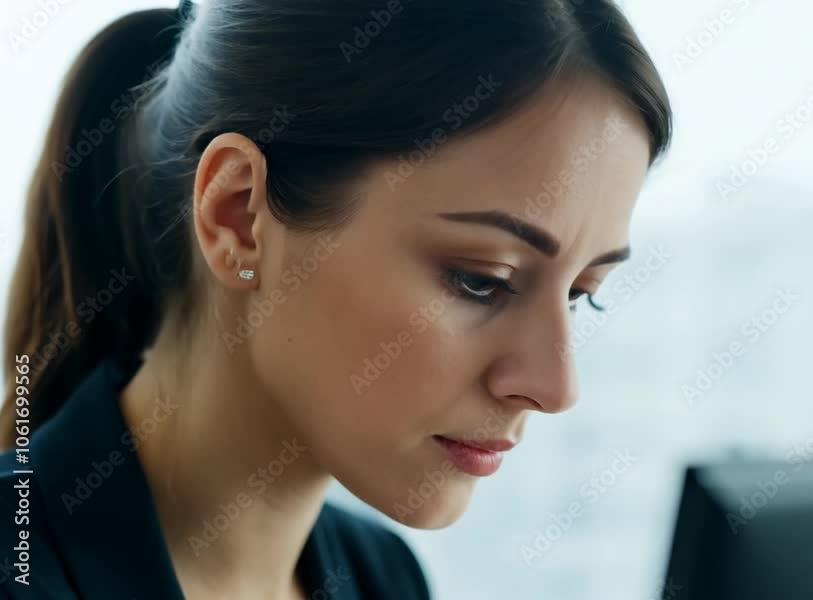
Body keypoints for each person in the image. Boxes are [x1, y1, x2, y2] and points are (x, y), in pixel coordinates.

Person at [0, 0, 672, 597]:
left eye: (586, 295)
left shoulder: (384, 575)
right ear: (237, 215)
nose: (556, 387)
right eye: (482, 279)